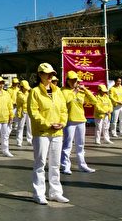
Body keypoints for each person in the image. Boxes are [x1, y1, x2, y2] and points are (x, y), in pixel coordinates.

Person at [27, 63, 69, 205]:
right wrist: (48, 124)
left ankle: (55, 193)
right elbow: (33, 112)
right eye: (47, 73)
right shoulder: (34, 92)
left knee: (55, 164)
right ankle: (38, 193)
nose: (50, 76)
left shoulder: (58, 92)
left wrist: (62, 123)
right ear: (40, 75)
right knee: (40, 163)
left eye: (52, 73)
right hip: (42, 133)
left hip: (57, 132)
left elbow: (64, 110)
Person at [60, 71, 97, 174]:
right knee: (67, 144)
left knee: (80, 144)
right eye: (71, 80)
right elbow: (65, 101)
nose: (74, 82)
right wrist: (74, 92)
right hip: (69, 120)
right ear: (67, 80)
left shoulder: (81, 91)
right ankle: (65, 166)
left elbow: (94, 101)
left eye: (75, 80)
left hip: (81, 120)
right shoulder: (63, 91)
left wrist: (85, 90)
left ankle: (82, 165)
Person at [15, 80, 32, 147]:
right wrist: (30, 96)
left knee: (29, 126)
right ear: (21, 87)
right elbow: (24, 100)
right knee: (20, 127)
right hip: (22, 112)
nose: (26, 89)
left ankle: (29, 140)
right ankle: (19, 141)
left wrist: (31, 91)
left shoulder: (28, 92)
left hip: (28, 111)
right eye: (25, 88)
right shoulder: (19, 93)